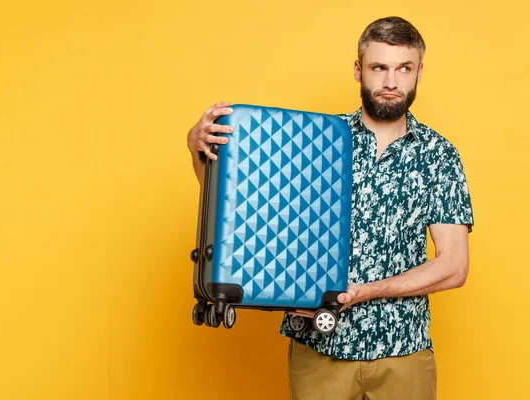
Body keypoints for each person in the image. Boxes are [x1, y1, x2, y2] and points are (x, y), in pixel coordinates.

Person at [186, 16, 474, 400]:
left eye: (404, 68)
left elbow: (453, 266)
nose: (391, 82)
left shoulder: (440, 155)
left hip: (404, 353)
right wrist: (198, 148)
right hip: (319, 351)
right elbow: (236, 202)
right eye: (379, 67)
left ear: (419, 71)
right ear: (358, 70)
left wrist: (366, 291)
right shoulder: (313, 140)